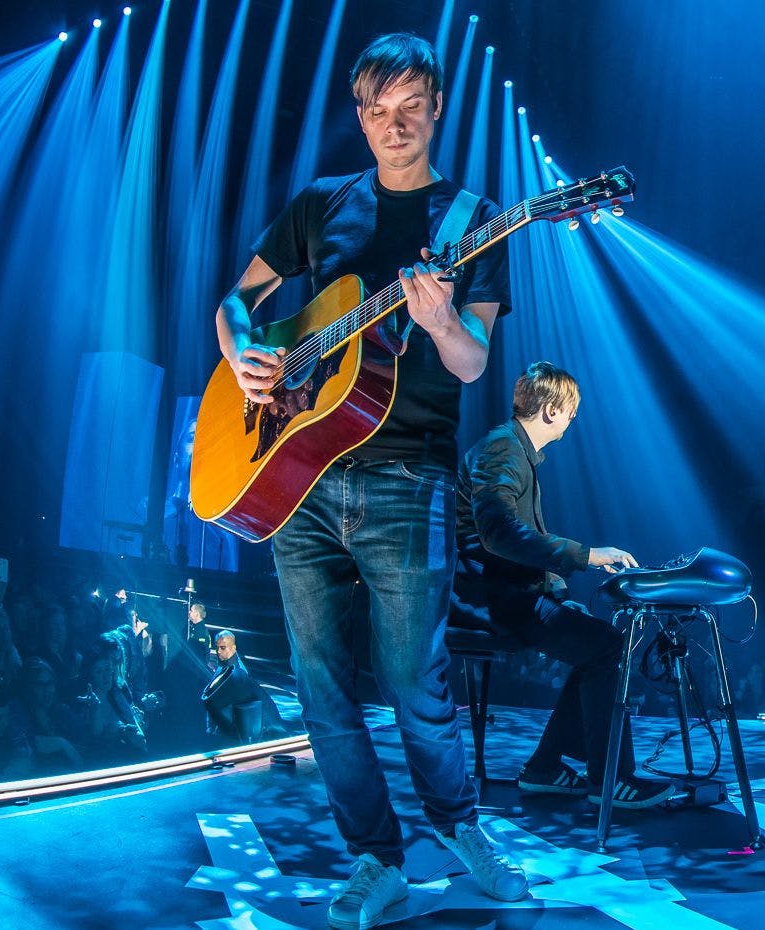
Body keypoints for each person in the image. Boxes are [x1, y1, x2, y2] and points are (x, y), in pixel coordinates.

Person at [212, 31, 524, 927]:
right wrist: (241, 354)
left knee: (413, 681)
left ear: (434, 108)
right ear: (360, 114)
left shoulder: (475, 220)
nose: (394, 126)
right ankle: (374, 858)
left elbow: (471, 364)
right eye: (377, 111)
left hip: (407, 480)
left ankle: (459, 827)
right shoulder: (320, 205)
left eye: (410, 108)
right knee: (318, 682)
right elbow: (238, 298)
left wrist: (435, 323)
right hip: (298, 472)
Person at [456, 362, 674, 809]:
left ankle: (544, 767)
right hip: (496, 601)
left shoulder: (514, 452)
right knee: (607, 645)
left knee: (595, 645)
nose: (573, 420)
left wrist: (558, 589)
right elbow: (498, 534)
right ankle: (612, 778)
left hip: (511, 593)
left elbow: (520, 543)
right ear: (552, 410)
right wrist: (588, 555)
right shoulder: (502, 451)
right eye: (571, 411)